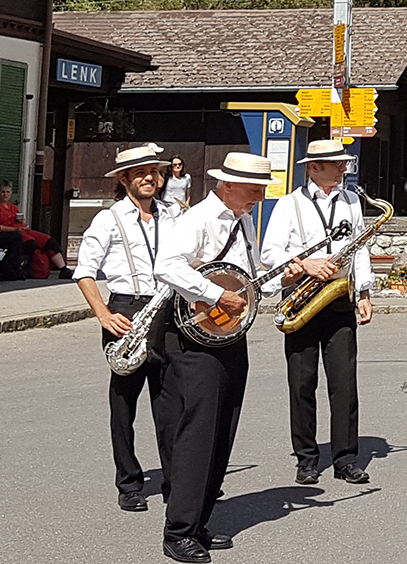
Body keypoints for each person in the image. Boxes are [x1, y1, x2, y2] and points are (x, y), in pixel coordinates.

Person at [155, 152, 275, 563]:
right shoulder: (197, 219)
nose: (260, 196)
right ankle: (179, 530)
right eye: (254, 189)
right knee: (198, 430)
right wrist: (213, 294)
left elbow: (248, 275)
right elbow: (166, 266)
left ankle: (199, 519)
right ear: (227, 185)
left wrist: (282, 278)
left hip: (227, 334)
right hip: (193, 335)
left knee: (224, 426)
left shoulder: (242, 221)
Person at [261, 139, 374, 486]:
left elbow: (359, 246)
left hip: (339, 297)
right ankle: (307, 459)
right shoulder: (289, 204)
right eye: (335, 163)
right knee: (302, 382)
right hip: (302, 296)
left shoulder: (352, 200)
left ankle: (345, 458)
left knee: (344, 383)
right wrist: (306, 263)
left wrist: (364, 290)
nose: (344, 167)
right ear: (313, 167)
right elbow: (269, 253)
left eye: (343, 162)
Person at [73, 145, 179, 512]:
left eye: (155, 171)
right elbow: (84, 271)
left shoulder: (172, 215)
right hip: (125, 310)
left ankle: (174, 480)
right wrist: (103, 314)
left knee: (171, 404)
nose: (150, 178)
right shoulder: (108, 219)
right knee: (124, 403)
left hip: (166, 309)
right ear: (124, 179)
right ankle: (129, 482)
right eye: (141, 173)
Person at [0, 181, 69, 279]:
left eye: (7, 192)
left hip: (22, 229)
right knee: (31, 243)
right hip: (11, 232)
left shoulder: (13, 207)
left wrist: (22, 221)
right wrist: (15, 228)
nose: (5, 194)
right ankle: (24, 268)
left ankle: (63, 269)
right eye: (3, 192)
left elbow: (21, 223)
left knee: (49, 241)